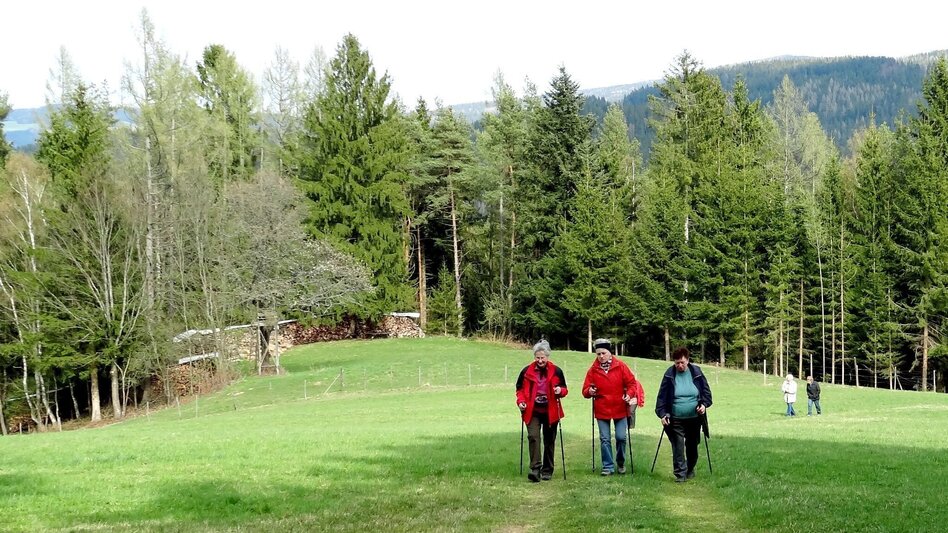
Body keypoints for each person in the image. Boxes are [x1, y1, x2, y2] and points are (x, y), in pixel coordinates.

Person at [654, 347, 713, 482]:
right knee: (678, 446)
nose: (679, 366)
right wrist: (662, 414)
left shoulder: (696, 372)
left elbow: (707, 394)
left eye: (682, 362)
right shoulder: (669, 374)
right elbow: (661, 398)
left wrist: (703, 405)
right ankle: (680, 474)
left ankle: (690, 468)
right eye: (677, 363)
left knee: (692, 446)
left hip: (694, 418)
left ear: (688, 360)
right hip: (675, 418)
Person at [582, 338, 639, 476]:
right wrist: (590, 391)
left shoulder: (621, 366)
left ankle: (620, 462)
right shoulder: (593, 370)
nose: (601, 356)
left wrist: (629, 394)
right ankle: (607, 466)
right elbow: (585, 391)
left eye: (603, 353)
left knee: (621, 437)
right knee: (605, 439)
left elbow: (632, 384)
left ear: (609, 352)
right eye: (598, 354)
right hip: (602, 409)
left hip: (620, 408)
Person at [515, 340, 568, 482]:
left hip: (551, 410)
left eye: (542, 358)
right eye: (537, 357)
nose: (540, 360)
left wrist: (559, 390)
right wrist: (521, 402)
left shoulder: (556, 371)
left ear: (547, 356)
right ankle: (535, 469)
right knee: (533, 436)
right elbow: (519, 390)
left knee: (549, 440)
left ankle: (547, 470)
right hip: (532, 410)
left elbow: (564, 389)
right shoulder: (526, 371)